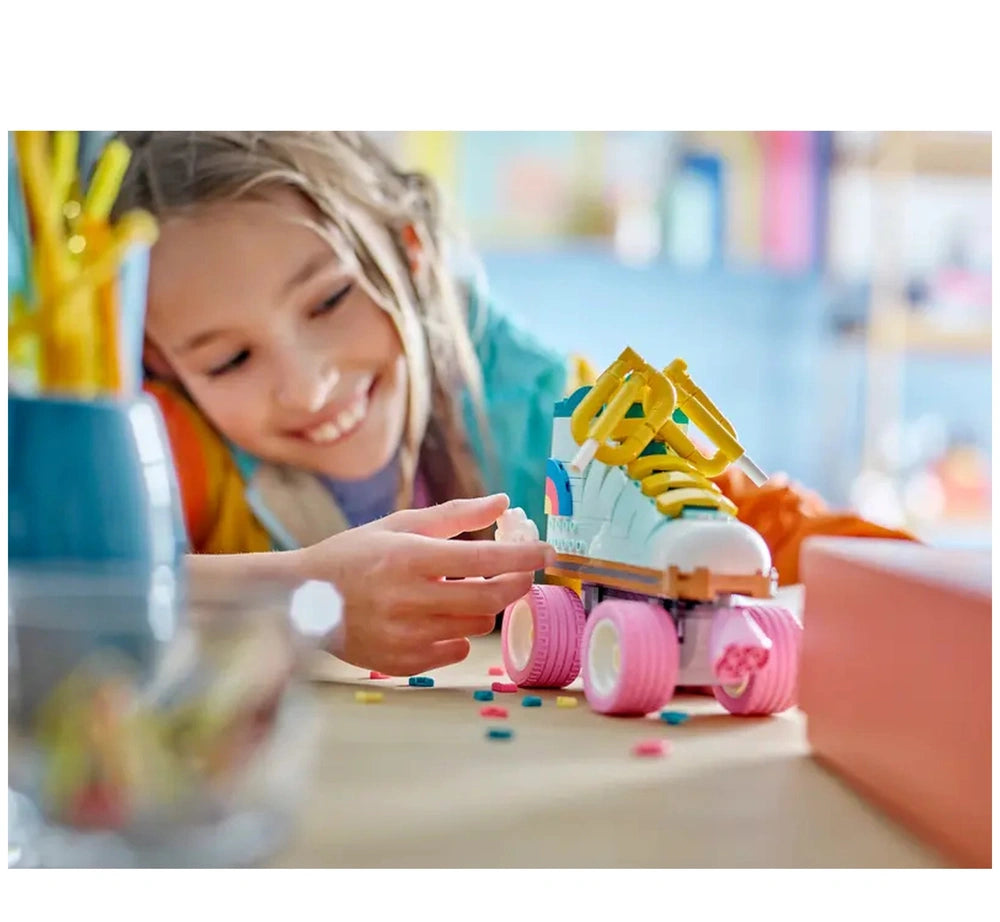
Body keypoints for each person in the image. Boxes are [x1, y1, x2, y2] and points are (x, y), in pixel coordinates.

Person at [111, 131, 912, 673]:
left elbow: (757, 529)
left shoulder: (553, 411)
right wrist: (299, 591)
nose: (308, 386)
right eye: (230, 359)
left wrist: (933, 595)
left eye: (328, 302)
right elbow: (59, 591)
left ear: (411, 252)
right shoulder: (161, 447)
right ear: (164, 366)